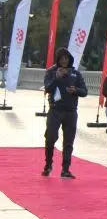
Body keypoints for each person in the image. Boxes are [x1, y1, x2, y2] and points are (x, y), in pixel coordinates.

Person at [42, 48, 87, 178]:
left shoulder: (75, 73)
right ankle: (48, 164)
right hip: (55, 110)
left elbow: (84, 91)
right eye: (61, 58)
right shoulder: (51, 72)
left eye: (66, 58)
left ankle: (65, 169)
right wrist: (56, 78)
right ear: (58, 59)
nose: (64, 61)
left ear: (69, 59)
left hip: (70, 112)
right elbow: (48, 88)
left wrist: (76, 90)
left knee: (68, 142)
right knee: (50, 138)